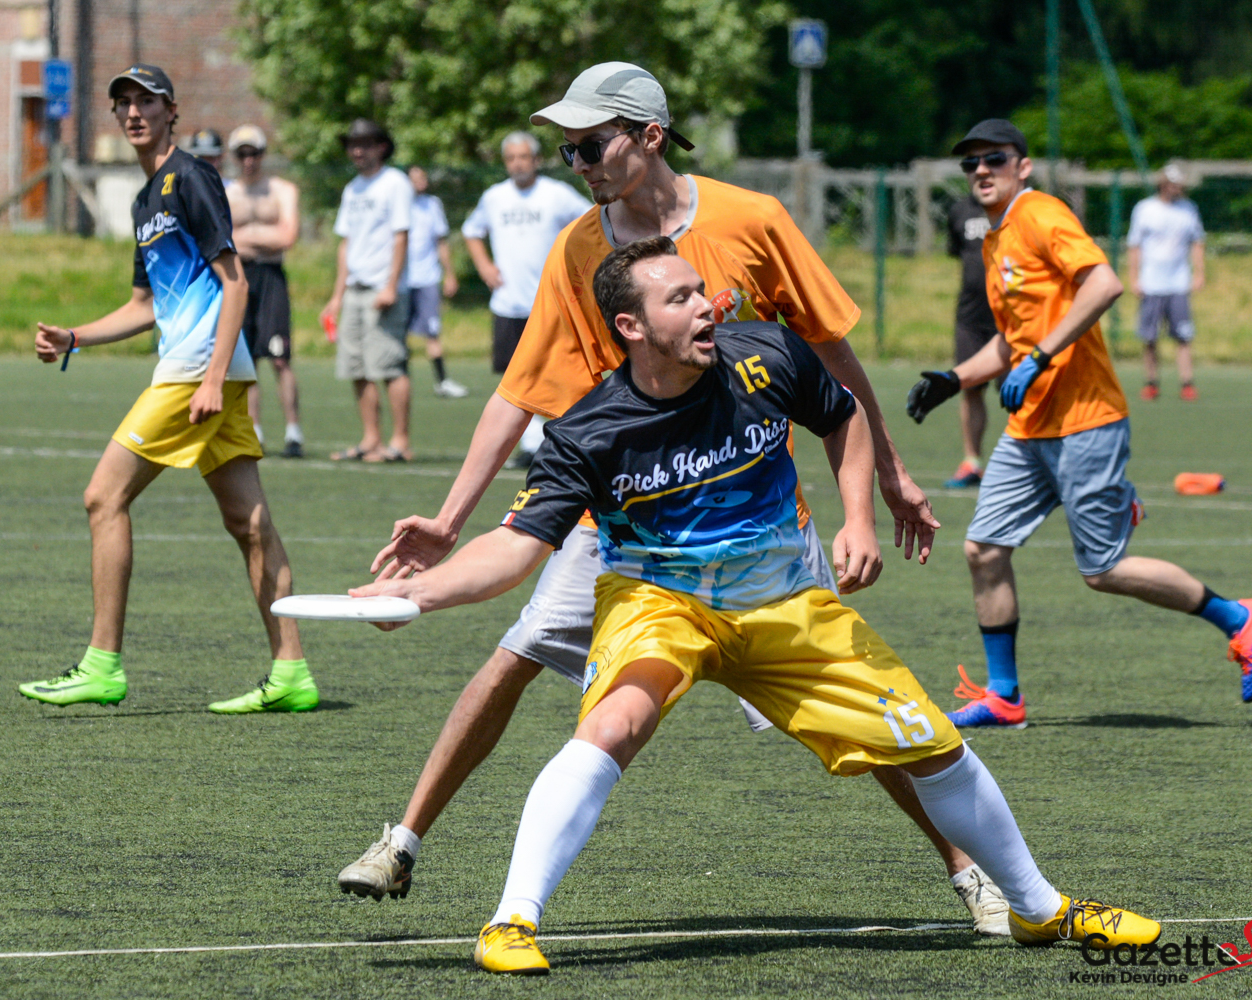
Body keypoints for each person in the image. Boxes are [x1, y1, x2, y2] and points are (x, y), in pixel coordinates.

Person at [352, 239, 1162, 974]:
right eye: (680, 299)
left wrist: (856, 517)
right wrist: (420, 591)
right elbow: (516, 547)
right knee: (611, 725)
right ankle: (510, 923)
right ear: (631, 327)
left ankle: (1041, 909)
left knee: (933, 745)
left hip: (784, 601)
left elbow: (844, 418)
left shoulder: (767, 353)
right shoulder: (589, 430)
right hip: (659, 603)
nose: (706, 306)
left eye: (700, 290)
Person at [338, 62, 1009, 938]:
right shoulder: (579, 248)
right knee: (515, 655)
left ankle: (970, 872)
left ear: (650, 136)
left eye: (590, 144)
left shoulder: (751, 219)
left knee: (865, 712)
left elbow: (829, 357)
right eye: (567, 149)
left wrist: (886, 476)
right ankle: (404, 840)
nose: (577, 162)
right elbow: (519, 390)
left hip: (752, 524)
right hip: (624, 513)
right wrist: (448, 520)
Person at [905, 120, 1252, 730]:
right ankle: (1004, 696)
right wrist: (954, 378)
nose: (981, 171)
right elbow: (1012, 339)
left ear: (1023, 165)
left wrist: (1041, 356)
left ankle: (1241, 618)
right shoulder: (995, 239)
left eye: (994, 158)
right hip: (1030, 427)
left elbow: (1104, 283)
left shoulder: (1041, 213)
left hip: (1086, 421)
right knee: (983, 549)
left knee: (1102, 571)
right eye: (971, 163)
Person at [21, 64, 317, 715]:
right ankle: (292, 671)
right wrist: (75, 337)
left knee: (103, 497)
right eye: (123, 102)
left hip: (195, 373)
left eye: (146, 101)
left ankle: (102, 665)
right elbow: (144, 304)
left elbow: (235, 282)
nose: (133, 112)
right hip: (208, 371)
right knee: (249, 523)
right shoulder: (144, 200)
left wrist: (210, 377)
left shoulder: (191, 178)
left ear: (170, 110)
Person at [461, 131, 591, 464]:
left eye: (523, 157)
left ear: (536, 160)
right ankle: (532, 443)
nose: (517, 164)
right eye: (511, 158)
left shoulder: (556, 194)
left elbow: (592, 223)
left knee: (554, 373)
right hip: (508, 303)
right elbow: (471, 231)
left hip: (550, 303)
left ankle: (555, 442)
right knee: (515, 377)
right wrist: (484, 266)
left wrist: (574, 269)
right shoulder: (494, 197)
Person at [321, 119, 414, 463]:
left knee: (390, 365)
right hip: (354, 290)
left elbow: (400, 236)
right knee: (356, 368)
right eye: (353, 144)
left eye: (365, 144)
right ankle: (371, 439)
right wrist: (337, 296)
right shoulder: (352, 189)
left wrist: (391, 285)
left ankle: (400, 442)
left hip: (382, 289)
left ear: (381, 147)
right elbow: (345, 244)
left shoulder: (395, 183)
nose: (357, 151)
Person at [225, 124, 304, 458]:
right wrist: (264, 237)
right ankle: (254, 430)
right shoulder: (227, 194)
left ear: (263, 154)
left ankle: (293, 432)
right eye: (242, 154)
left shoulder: (282, 190)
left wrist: (244, 237)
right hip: (240, 276)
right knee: (247, 359)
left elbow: (288, 236)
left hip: (272, 276)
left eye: (254, 153)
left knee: (280, 357)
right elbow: (221, 241)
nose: (249, 160)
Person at [1128, 164, 1205, 401]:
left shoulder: (1189, 209)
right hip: (1151, 283)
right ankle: (1151, 383)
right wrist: (1134, 277)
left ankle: (1187, 383)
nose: (1176, 188)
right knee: (1149, 337)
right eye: (1172, 184)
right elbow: (1134, 245)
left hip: (1178, 283)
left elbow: (1197, 242)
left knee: (1183, 336)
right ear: (1162, 183)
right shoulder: (1145, 209)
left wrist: (1199, 273)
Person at [942, 192, 1001, 488]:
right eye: (971, 168)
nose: (980, 171)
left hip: (1011, 317)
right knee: (970, 388)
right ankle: (972, 462)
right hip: (971, 317)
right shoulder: (960, 210)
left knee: (1022, 392)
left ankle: (1032, 464)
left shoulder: (1020, 209)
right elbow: (957, 253)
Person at [405, 164, 468, 399]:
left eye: (423, 176)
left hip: (427, 278)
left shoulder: (433, 204)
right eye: (415, 177)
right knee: (398, 335)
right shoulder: (398, 205)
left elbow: (441, 242)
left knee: (432, 331)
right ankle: (399, 382)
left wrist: (449, 274)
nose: (421, 180)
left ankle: (442, 382)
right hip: (401, 281)